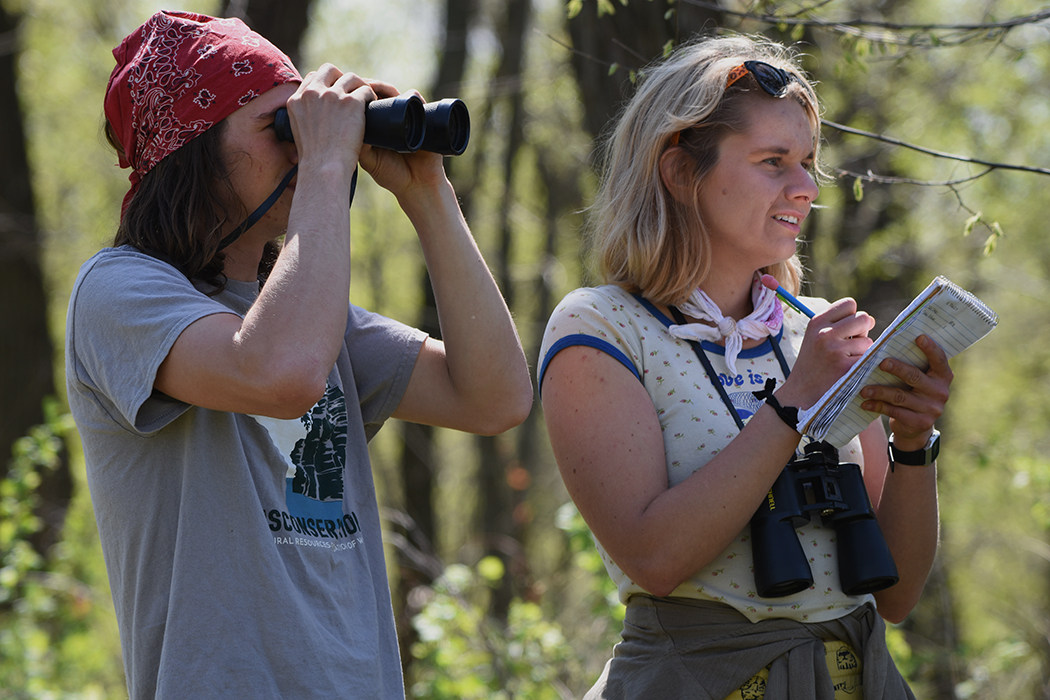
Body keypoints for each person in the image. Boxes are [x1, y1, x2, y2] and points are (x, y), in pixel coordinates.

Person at [64, 11, 532, 699]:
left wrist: (427, 192)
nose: (301, 148)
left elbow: (495, 398)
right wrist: (326, 162)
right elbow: (280, 375)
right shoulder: (117, 293)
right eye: (280, 128)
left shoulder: (314, 325)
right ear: (191, 144)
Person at [538, 34, 950, 700]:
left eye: (810, 162)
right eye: (773, 161)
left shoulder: (813, 330)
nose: (807, 187)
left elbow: (897, 594)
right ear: (679, 173)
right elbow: (654, 558)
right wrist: (792, 403)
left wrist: (913, 444)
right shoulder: (601, 326)